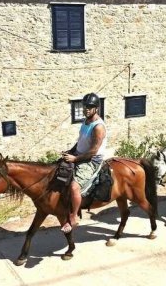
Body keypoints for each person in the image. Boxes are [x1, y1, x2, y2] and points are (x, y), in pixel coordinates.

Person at [61, 92, 107, 233]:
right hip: (80, 154)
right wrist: (70, 151)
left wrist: (75, 159)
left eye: (90, 107)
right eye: (85, 106)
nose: (86, 109)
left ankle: (74, 217)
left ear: (96, 108)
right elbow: (80, 141)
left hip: (91, 160)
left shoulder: (98, 127)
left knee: (74, 186)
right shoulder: (85, 122)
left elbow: (93, 151)